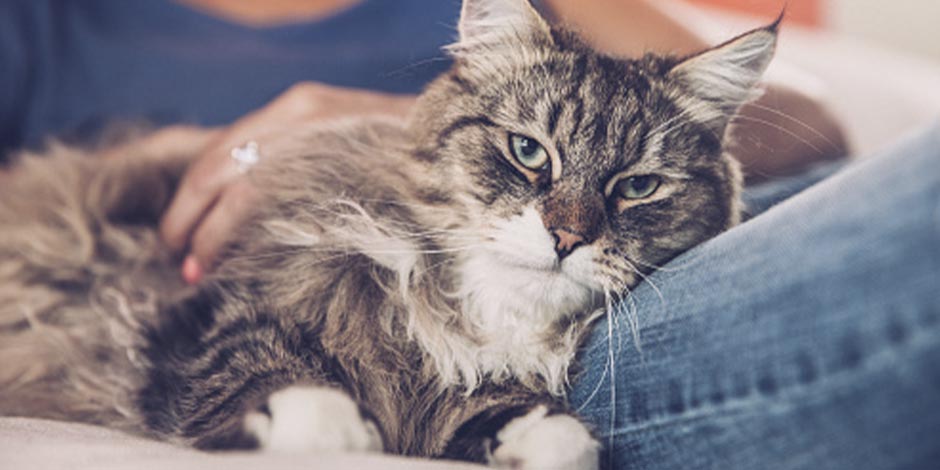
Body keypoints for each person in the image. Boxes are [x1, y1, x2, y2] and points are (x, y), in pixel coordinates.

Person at [1, 1, 936, 469]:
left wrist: (380, 115)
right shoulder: (41, 22)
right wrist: (192, 150)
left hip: (614, 304)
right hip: (331, 304)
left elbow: (810, 125)